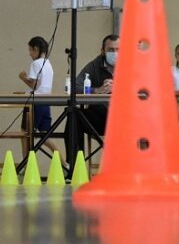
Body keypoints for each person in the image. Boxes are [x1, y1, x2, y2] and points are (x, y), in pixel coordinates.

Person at [65, 34, 119, 162]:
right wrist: (97, 90)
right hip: (102, 119)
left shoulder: (132, 64)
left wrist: (120, 88)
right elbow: (75, 86)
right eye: (111, 50)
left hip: (127, 120)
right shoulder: (95, 65)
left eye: (118, 50)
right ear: (102, 51)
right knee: (73, 115)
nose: (115, 53)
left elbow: (145, 88)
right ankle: (75, 166)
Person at [17, 36, 64, 165]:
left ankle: (26, 165)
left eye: (30, 50)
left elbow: (34, 84)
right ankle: (64, 164)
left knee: (25, 134)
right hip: (46, 102)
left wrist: (23, 77)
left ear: (36, 49)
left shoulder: (36, 63)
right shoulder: (48, 64)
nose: (29, 54)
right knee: (45, 136)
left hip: (35, 103)